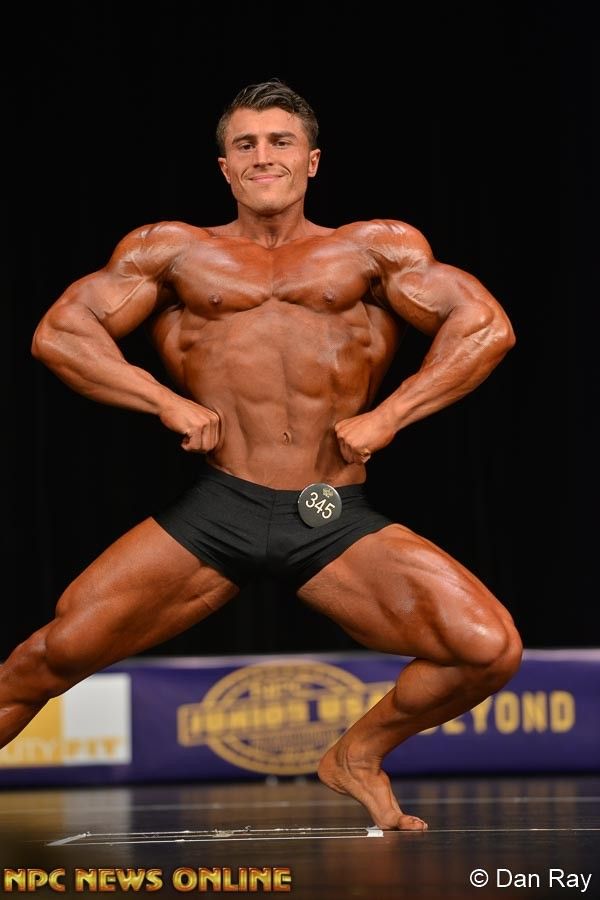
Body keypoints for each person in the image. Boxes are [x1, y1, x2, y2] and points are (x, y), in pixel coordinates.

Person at [1, 79, 521, 831]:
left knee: (488, 648)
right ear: (224, 167)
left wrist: (391, 415)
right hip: (222, 507)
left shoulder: (374, 248)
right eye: (245, 144)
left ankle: (358, 754)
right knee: (46, 657)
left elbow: (485, 326)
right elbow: (60, 333)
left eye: (281, 141)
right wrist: (162, 400)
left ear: (313, 161)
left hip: (328, 511)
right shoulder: (173, 251)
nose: (263, 155)